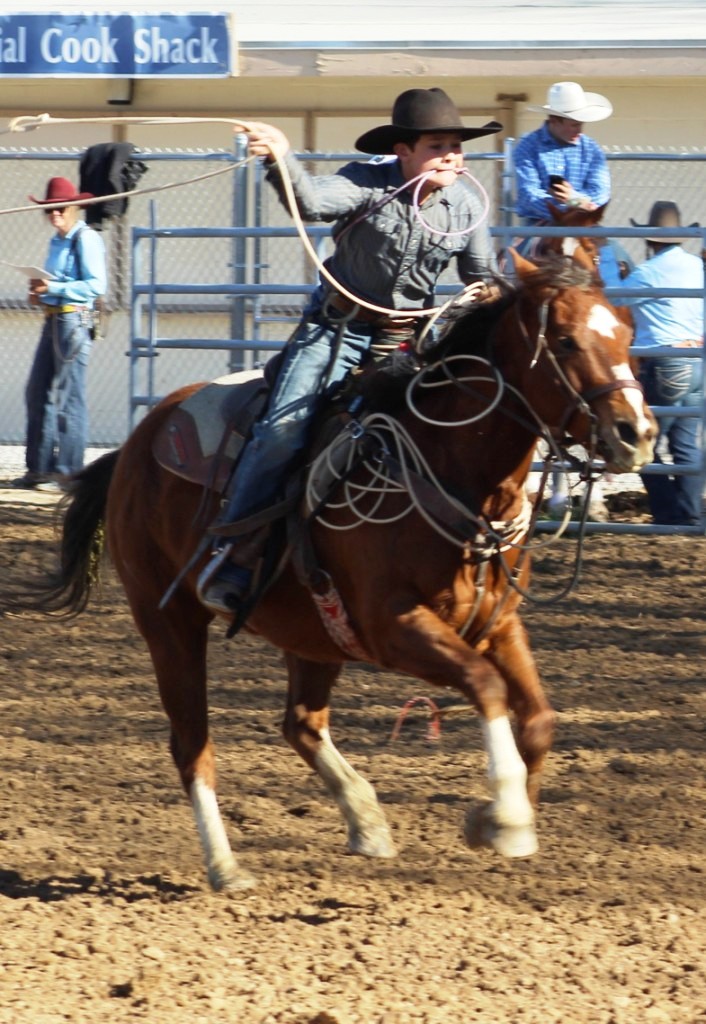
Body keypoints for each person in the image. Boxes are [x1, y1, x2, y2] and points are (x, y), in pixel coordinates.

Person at [198, 87, 503, 613]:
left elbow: (479, 275)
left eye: (457, 145)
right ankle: (233, 551)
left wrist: (498, 293)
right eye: (437, 145)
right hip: (337, 332)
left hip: (409, 342)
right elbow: (313, 201)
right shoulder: (366, 183)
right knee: (282, 431)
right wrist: (281, 157)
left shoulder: (467, 204)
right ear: (403, 151)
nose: (452, 155)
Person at [514, 82, 617, 520]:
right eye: (571, 121)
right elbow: (527, 197)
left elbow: (598, 196)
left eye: (580, 121)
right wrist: (564, 205)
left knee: (608, 276)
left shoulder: (591, 149)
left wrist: (572, 200)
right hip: (542, 227)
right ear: (552, 119)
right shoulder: (526, 148)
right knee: (508, 275)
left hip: (583, 229)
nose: (578, 128)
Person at [613, 200, 704, 526]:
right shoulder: (695, 265)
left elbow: (616, 298)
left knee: (642, 443)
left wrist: (612, 267)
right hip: (694, 359)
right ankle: (690, 516)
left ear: (650, 240)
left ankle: (667, 514)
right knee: (686, 443)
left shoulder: (649, 272)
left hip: (664, 362)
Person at [14, 177, 106, 493]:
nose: (55, 216)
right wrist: (42, 294)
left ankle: (68, 473)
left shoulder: (86, 239)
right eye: (49, 210)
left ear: (74, 208)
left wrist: (53, 288)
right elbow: (58, 283)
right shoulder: (58, 240)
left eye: (60, 209)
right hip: (54, 318)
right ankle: (39, 469)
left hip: (74, 321)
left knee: (69, 397)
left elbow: (96, 286)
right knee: (38, 391)